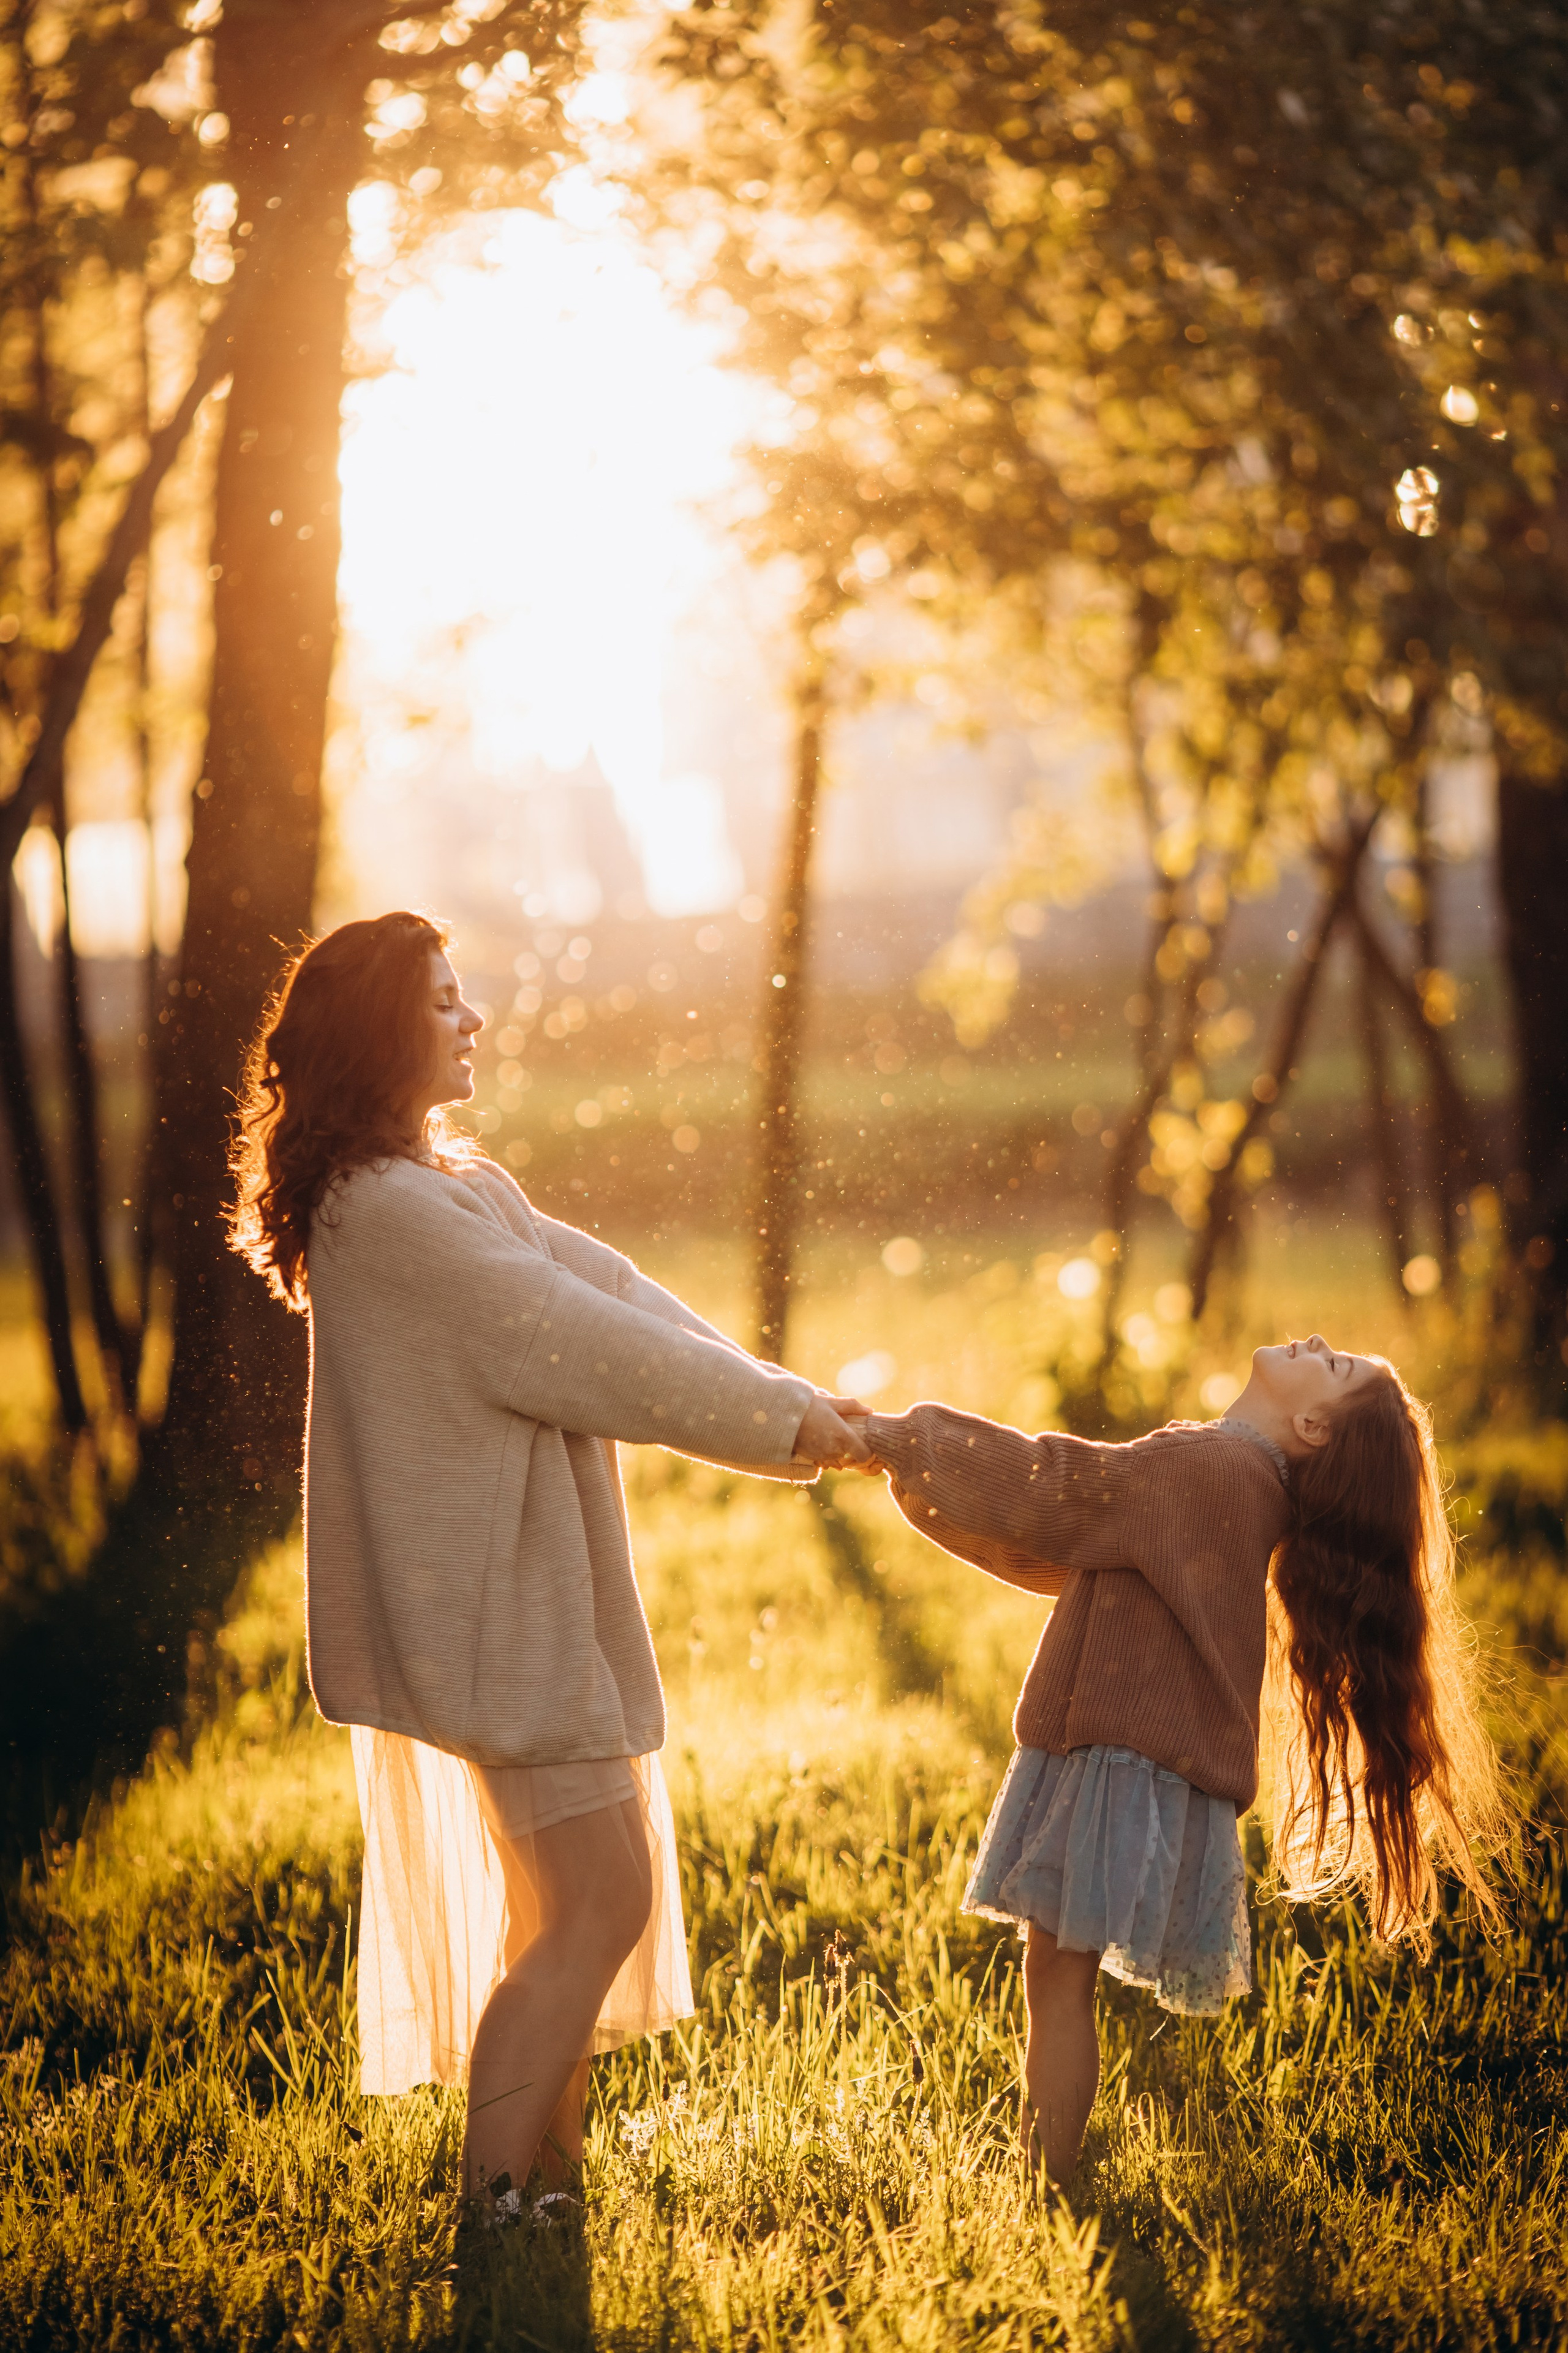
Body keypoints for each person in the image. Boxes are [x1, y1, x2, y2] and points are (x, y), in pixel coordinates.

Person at [227, 910, 867, 2225]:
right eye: (447, 1001)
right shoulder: (391, 1212)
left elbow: (618, 1293)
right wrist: (789, 1427)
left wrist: (794, 1406)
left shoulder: (448, 1186)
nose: (475, 1021)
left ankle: (542, 2189)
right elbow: (576, 1341)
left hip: (515, 1605)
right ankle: (500, 2195)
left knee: (567, 1900)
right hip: (490, 1614)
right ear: (381, 1031)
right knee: (599, 1891)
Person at [853, 1337, 1502, 2181]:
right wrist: (913, 1473)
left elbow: (1053, 1487)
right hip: (1141, 1750)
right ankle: (1049, 2170)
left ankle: (1050, 2180)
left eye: (1337, 1365)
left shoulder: (1210, 1464)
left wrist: (903, 1439)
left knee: (1056, 1977)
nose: (1318, 1342)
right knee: (1056, 1973)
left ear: (1310, 1423)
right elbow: (1070, 1549)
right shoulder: (1236, 1480)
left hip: (1124, 1749)